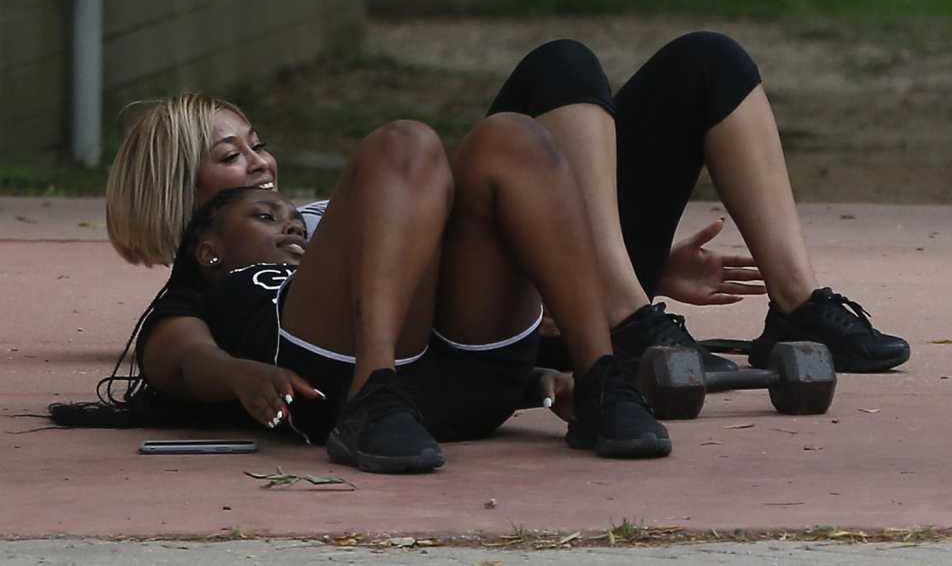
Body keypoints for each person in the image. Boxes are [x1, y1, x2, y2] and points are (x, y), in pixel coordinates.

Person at [102, 32, 909, 385]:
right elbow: (182, 350)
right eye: (231, 155)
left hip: (548, 259)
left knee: (709, 61)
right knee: (556, 68)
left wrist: (647, 261)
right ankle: (624, 322)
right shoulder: (222, 288)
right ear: (178, 198)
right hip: (484, 316)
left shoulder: (312, 215)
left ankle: (797, 303)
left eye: (257, 143)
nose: (261, 163)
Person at [86, 115, 672, 471]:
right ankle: (375, 389)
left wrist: (542, 381)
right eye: (266, 216)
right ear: (207, 247)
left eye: (289, 216)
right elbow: (174, 356)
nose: (289, 223)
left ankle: (602, 381)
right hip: (339, 383)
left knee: (511, 137)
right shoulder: (211, 288)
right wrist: (237, 374)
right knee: (405, 143)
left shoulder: (328, 247)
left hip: (465, 376)